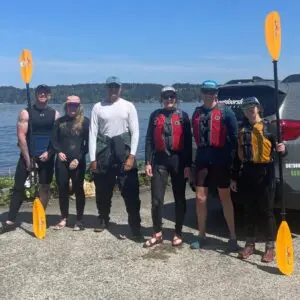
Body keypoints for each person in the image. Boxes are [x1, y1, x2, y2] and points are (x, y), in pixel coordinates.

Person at [230, 96, 286, 262]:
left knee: (266, 210)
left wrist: (283, 150)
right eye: (246, 108)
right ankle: (250, 243)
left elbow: (281, 152)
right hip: (247, 172)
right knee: (249, 210)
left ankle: (270, 247)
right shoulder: (241, 129)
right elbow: (236, 157)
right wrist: (233, 178)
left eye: (252, 107)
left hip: (266, 172)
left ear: (259, 108)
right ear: (244, 112)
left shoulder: (270, 127)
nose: (250, 111)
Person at [89, 76, 142, 240]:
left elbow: (135, 132)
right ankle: (103, 218)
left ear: (121, 89)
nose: (113, 90)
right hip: (104, 152)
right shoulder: (98, 107)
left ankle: (135, 225)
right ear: (106, 88)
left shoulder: (128, 106)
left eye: (116, 87)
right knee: (103, 191)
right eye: (110, 87)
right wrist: (92, 159)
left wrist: (132, 155)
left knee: (131, 191)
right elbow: (92, 133)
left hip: (123, 152)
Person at [1, 84, 60, 234]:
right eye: (40, 92)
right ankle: (10, 219)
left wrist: (50, 153)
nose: (42, 94)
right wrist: (28, 159)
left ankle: (40, 215)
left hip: (46, 157)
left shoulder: (55, 114)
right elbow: (21, 137)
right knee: (18, 186)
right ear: (35, 95)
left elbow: (57, 138)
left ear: (49, 95)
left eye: (45, 92)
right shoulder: (26, 113)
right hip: (27, 156)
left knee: (45, 187)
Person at [190, 80, 239, 251]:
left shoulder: (226, 112)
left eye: (213, 91)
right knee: (200, 198)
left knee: (224, 197)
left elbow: (235, 140)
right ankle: (201, 235)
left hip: (221, 160)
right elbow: (192, 139)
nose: (210, 94)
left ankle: (233, 237)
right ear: (202, 93)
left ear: (216, 93)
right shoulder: (196, 113)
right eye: (207, 91)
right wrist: (190, 164)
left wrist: (234, 166)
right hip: (203, 160)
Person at [143, 86, 192, 247]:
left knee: (179, 198)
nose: (169, 99)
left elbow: (188, 144)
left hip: (178, 161)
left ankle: (178, 231)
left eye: (172, 96)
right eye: (166, 96)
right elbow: (149, 139)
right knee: (157, 199)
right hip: (160, 160)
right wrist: (148, 162)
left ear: (175, 98)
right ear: (161, 99)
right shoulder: (155, 116)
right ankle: (157, 232)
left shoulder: (183, 117)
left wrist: (188, 165)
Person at [50, 96, 89, 231]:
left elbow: (88, 145)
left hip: (78, 161)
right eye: (70, 105)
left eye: (75, 105)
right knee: (62, 189)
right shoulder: (59, 122)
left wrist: (78, 158)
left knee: (78, 189)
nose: (72, 108)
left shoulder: (85, 122)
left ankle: (79, 219)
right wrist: (58, 152)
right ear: (66, 106)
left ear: (79, 107)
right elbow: (54, 141)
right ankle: (63, 218)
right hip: (62, 161)